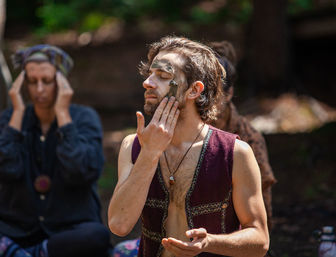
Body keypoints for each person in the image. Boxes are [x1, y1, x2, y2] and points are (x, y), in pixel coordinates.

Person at [0, 44, 111, 257]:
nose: (39, 89)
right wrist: (18, 114)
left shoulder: (84, 118)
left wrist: (63, 116)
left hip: (68, 231)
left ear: (61, 82)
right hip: (15, 230)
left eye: (47, 81)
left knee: (97, 235)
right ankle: (28, 253)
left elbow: (82, 171)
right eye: (32, 81)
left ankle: (18, 254)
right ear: (23, 84)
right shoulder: (11, 118)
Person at [108, 36, 269, 257]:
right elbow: (119, 224)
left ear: (194, 90)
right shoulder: (133, 146)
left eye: (163, 76)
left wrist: (210, 242)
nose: (147, 82)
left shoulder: (235, 152)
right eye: (149, 75)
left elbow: (260, 240)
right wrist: (150, 153)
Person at [207, 41, 277, 232]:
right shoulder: (182, 130)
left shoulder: (249, 138)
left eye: (215, 93)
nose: (205, 100)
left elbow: (263, 200)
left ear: (229, 93)